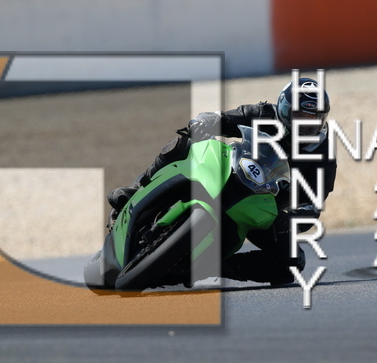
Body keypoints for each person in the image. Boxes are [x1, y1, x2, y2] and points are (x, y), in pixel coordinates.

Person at [108, 77, 337, 285]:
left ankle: (211, 267)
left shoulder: (324, 154)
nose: (305, 124)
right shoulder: (264, 114)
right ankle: (135, 189)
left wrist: (289, 220)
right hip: (232, 171)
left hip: (265, 210)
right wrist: (205, 122)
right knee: (183, 145)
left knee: (291, 263)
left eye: (312, 118)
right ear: (283, 109)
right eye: (299, 115)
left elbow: (314, 203)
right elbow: (224, 119)